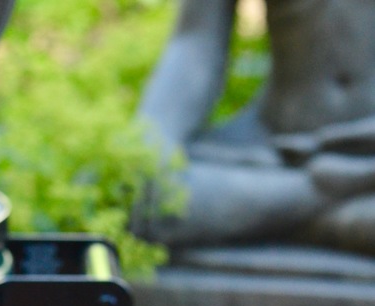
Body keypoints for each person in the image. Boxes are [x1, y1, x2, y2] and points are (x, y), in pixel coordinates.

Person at [132, 0, 375, 253]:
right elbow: (194, 43)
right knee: (141, 195)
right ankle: (329, 195)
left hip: (366, 152)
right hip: (271, 150)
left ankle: (290, 213)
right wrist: (153, 145)